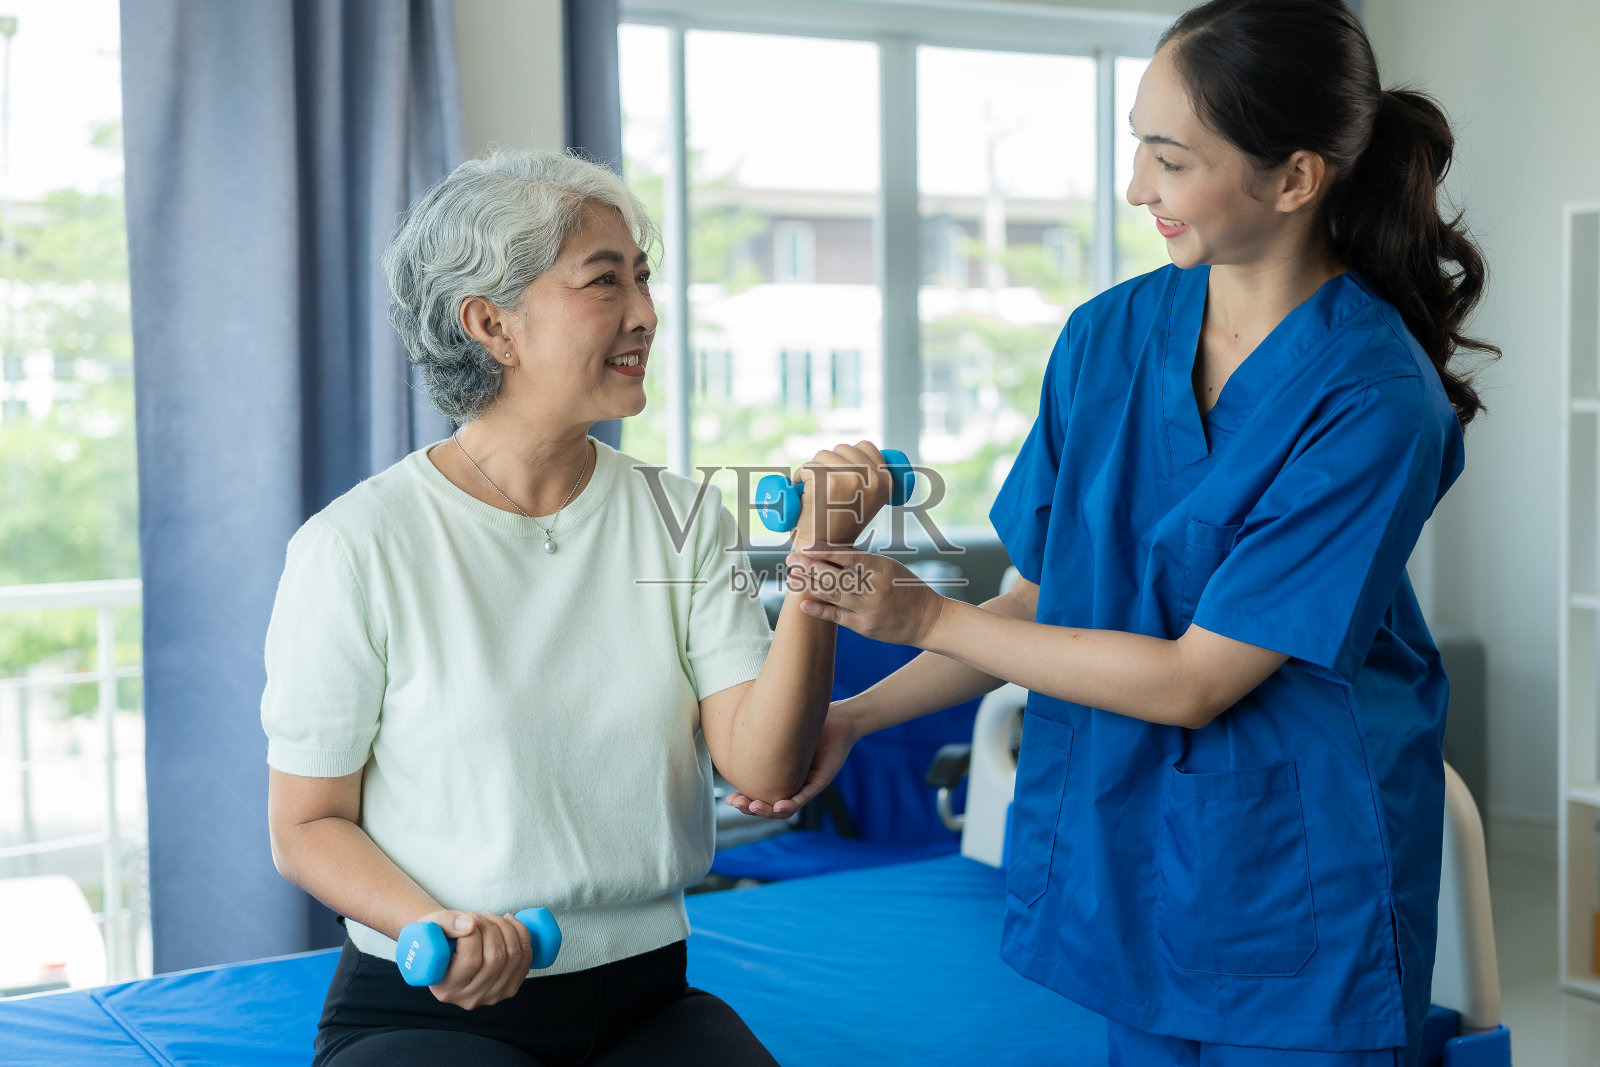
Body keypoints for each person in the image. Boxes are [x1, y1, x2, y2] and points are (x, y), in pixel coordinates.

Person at [733, 1, 1499, 1064]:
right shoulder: (1106, 338)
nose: (1135, 185)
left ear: (1292, 179)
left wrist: (918, 614)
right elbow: (1041, 601)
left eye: (1169, 157)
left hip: (1294, 886)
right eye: (1135, 141)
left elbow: (1196, 679)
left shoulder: (1371, 399)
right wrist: (857, 718)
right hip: (1124, 855)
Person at [261, 147, 895, 1066]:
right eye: (605, 281)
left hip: (649, 997)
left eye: (643, 277)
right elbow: (307, 822)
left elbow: (763, 758)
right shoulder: (358, 544)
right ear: (492, 324)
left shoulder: (684, 516)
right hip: (431, 1007)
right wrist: (437, 924)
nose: (645, 312)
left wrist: (816, 559)